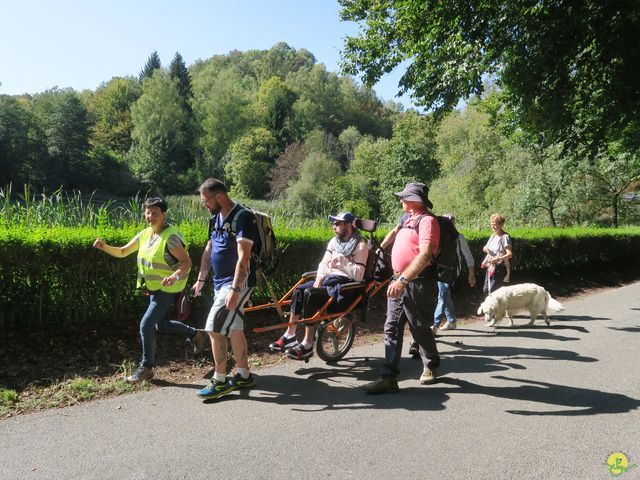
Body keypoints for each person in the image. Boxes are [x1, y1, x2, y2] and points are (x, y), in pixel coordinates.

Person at [93, 197, 207, 383]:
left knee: (145, 325)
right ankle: (197, 334)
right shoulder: (145, 234)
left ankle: (147, 368)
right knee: (160, 325)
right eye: (147, 212)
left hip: (168, 289)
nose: (150, 216)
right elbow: (122, 252)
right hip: (154, 288)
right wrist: (104, 247)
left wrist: (174, 276)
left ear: (164, 214)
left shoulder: (171, 238)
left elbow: (187, 262)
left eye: (155, 213)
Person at [363, 181, 441, 394]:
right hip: (399, 280)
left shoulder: (427, 221)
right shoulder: (407, 218)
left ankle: (431, 365)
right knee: (391, 327)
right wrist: (379, 249)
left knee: (419, 328)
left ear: (416, 201)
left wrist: (403, 280)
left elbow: (425, 255)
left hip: (417, 283)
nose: (401, 200)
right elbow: (394, 232)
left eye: (404, 197)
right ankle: (388, 377)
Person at [191, 178, 259, 400]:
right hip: (220, 282)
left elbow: (244, 257)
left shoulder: (243, 217)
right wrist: (201, 279)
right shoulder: (215, 217)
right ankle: (243, 374)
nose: (204, 205)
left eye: (205, 201)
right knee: (235, 329)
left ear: (218, 196)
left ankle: (220, 380)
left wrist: (235, 289)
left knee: (214, 328)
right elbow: (210, 248)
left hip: (236, 283)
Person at [268, 212, 368, 360]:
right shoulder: (334, 242)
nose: (333, 226)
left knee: (310, 293)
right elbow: (323, 263)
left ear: (348, 225)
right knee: (300, 290)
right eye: (333, 223)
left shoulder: (360, 245)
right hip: (328, 279)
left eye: (337, 223)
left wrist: (343, 261)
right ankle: (290, 334)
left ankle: (308, 344)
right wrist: (319, 279)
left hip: (346, 285)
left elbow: (359, 275)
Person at [432, 213, 476, 331]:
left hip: (451, 270)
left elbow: (468, 255)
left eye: (451, 221)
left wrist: (471, 274)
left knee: (442, 294)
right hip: (439, 270)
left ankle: (434, 325)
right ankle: (451, 321)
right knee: (445, 295)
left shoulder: (459, 237)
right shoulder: (438, 235)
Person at [481, 213, 512, 294]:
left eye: (495, 225)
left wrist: (498, 258)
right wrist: (486, 250)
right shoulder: (493, 235)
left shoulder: (505, 237)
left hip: (499, 268)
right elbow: (485, 247)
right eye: (492, 224)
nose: (493, 227)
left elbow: (510, 254)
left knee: (493, 291)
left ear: (501, 225)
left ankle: (497, 306)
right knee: (486, 289)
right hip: (490, 267)